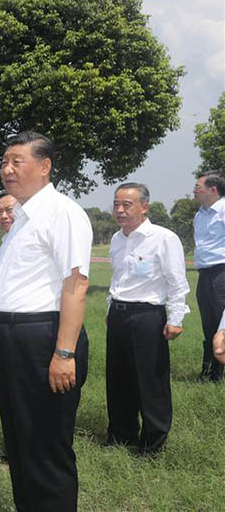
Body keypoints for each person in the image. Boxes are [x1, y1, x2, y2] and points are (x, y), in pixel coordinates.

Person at [0, 131, 92, 512]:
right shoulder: (20, 218)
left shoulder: (62, 212)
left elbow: (76, 284)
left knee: (46, 442)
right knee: (20, 437)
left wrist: (64, 352)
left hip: (43, 336)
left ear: (45, 167)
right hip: (8, 336)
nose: (7, 169)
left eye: (17, 161)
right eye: (4, 162)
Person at [105, 183, 189, 455]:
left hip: (147, 316)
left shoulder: (163, 238)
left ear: (144, 206)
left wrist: (176, 318)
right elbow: (117, 278)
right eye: (116, 204)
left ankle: (153, 443)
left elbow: (177, 281)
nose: (119, 210)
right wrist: (110, 309)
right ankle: (121, 435)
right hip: (118, 315)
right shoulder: (117, 239)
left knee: (150, 381)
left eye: (126, 205)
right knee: (119, 379)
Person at [192, 170, 225, 382]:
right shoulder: (199, 214)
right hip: (204, 273)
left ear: (213, 190)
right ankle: (209, 372)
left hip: (222, 272)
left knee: (222, 323)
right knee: (208, 323)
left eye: (198, 187)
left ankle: (218, 373)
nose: (195, 190)